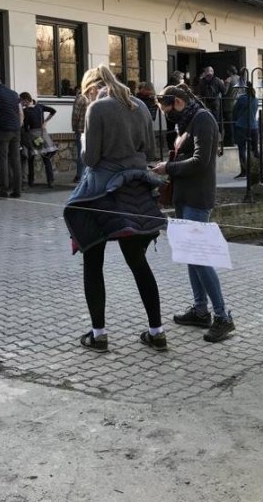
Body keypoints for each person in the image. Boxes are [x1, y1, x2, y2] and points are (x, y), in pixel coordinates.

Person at [63, 65, 168, 353]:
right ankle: (157, 332)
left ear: (91, 88)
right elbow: (148, 151)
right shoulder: (141, 106)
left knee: (92, 261)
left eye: (86, 94)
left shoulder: (97, 108)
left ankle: (99, 335)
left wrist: (84, 141)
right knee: (138, 263)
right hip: (136, 191)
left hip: (101, 193)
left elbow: (91, 159)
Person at [153, 84, 236, 343]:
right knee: (190, 255)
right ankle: (201, 311)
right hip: (184, 196)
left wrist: (169, 167)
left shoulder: (203, 120)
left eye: (167, 111)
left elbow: (201, 161)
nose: (168, 117)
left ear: (178, 102)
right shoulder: (187, 121)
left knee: (200, 257)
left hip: (198, 198)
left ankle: (222, 316)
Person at [0, 74, 23, 198]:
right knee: (16, 160)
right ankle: (17, 190)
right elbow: (21, 112)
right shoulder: (14, 93)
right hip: (16, 130)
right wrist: (18, 125)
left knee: (3, 160)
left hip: (2, 130)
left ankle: (4, 190)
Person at [20, 92, 57, 187]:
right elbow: (53, 111)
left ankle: (31, 181)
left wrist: (45, 122)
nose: (21, 103)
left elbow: (25, 127)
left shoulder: (26, 110)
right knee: (45, 158)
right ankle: (50, 181)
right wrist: (45, 122)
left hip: (32, 135)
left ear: (26, 100)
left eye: (22, 101)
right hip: (41, 134)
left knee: (32, 158)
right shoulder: (39, 107)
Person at [233, 83, 259, 179]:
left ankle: (244, 171)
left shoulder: (241, 99)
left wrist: (237, 118)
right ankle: (256, 170)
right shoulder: (256, 99)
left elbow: (234, 111)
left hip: (242, 126)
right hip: (254, 127)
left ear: (245, 89)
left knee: (242, 149)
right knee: (255, 150)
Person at [71, 87, 88, 184]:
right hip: (92, 130)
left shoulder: (80, 98)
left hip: (81, 130)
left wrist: (74, 127)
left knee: (81, 153)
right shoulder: (94, 98)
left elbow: (75, 115)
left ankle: (79, 176)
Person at [165, 71, 186, 150]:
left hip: (170, 111)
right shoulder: (175, 87)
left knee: (171, 129)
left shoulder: (168, 86)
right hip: (175, 111)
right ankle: (175, 147)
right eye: (182, 78)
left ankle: (172, 148)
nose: (183, 80)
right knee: (175, 130)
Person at [222, 66, 241, 146]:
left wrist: (222, 84)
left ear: (229, 72)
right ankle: (238, 141)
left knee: (229, 124)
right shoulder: (241, 79)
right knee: (237, 124)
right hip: (239, 104)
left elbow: (224, 92)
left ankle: (230, 142)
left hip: (229, 105)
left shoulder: (228, 80)